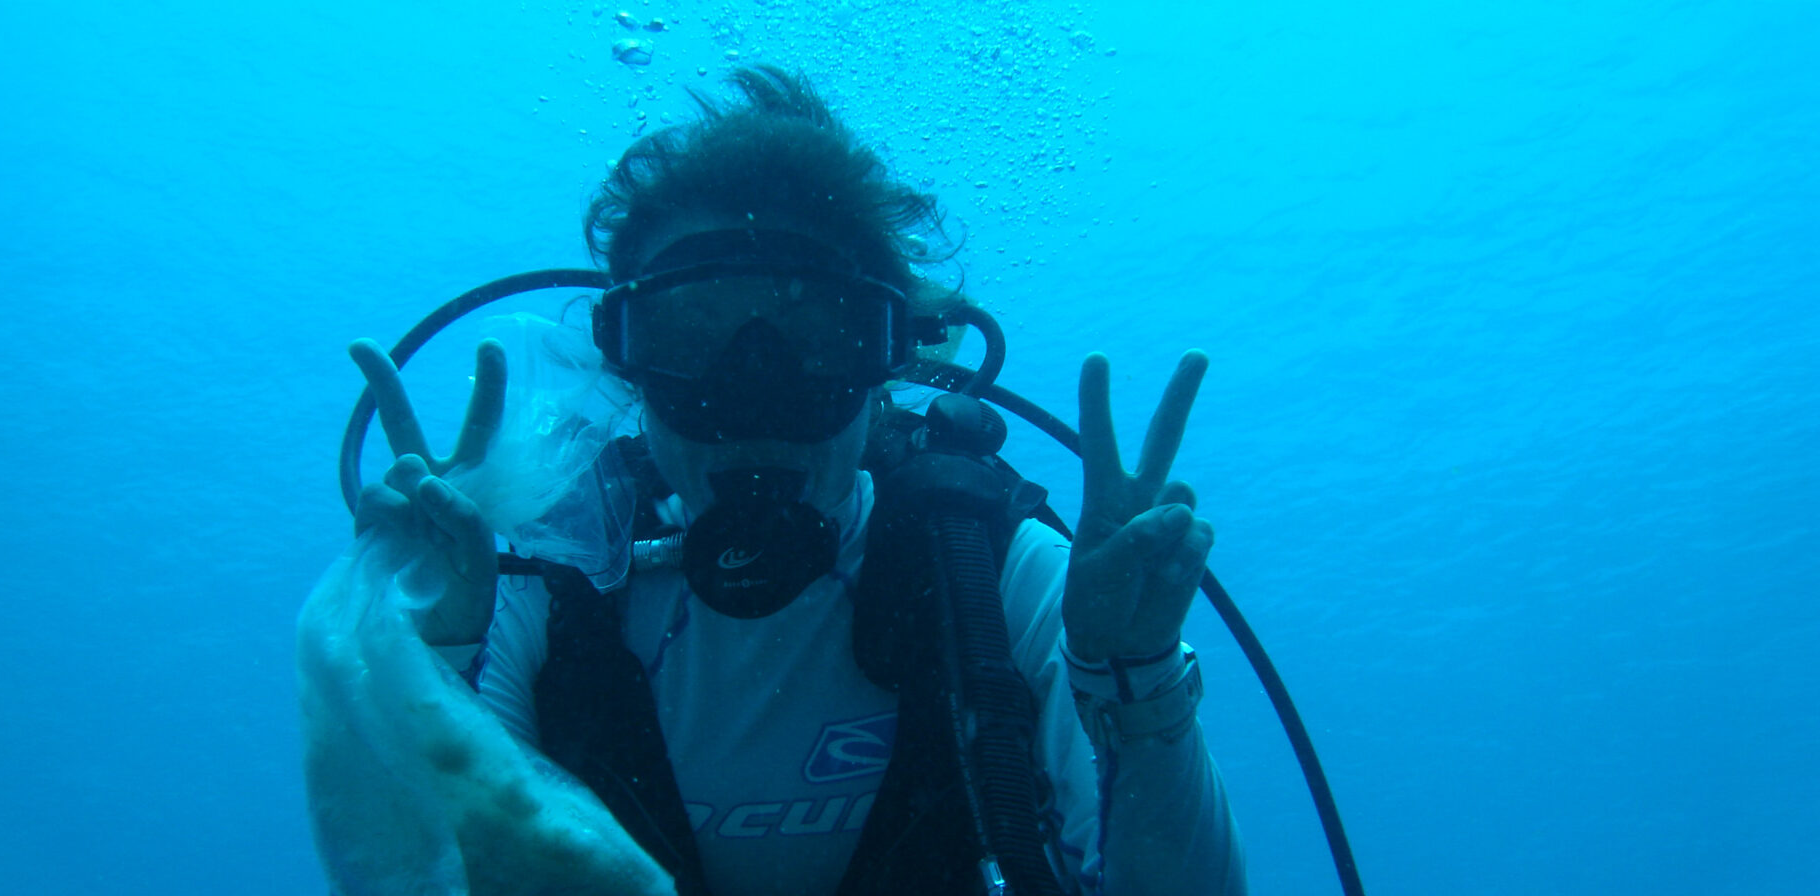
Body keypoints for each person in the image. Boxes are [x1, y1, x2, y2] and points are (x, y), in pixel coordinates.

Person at [322, 66, 1245, 895]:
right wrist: (429, 652)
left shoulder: (993, 567)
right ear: (624, 362)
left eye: (814, 339)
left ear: (888, 360)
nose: (752, 398)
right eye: (692, 336)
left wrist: (1132, 670)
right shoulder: (543, 586)